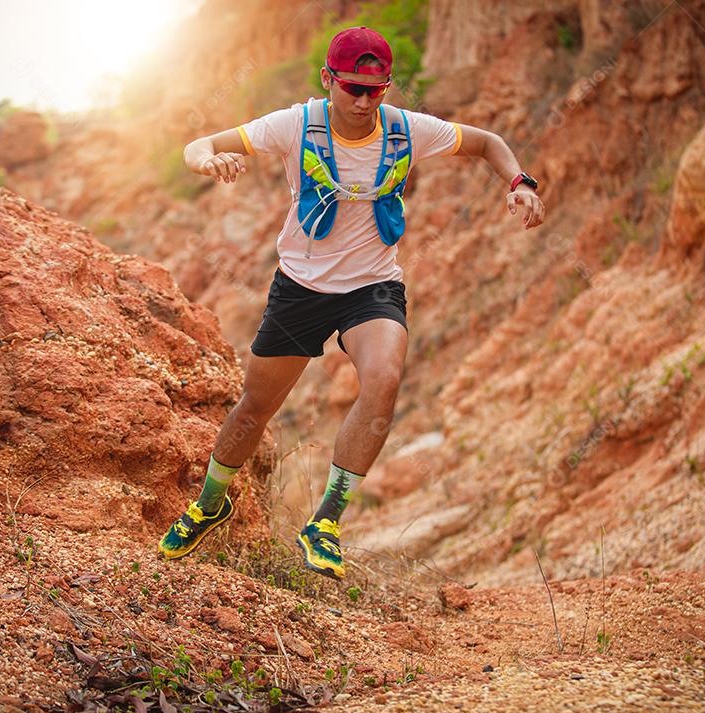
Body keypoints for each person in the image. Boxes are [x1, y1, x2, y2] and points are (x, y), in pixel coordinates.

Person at [158, 25, 545, 579]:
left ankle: (326, 523)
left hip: (373, 287)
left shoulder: (404, 129)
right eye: (352, 89)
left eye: (376, 89)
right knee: (255, 408)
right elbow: (203, 144)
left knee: (384, 379)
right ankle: (212, 502)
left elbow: (486, 143)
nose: (364, 101)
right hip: (301, 287)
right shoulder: (298, 123)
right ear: (328, 80)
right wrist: (206, 162)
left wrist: (519, 182)